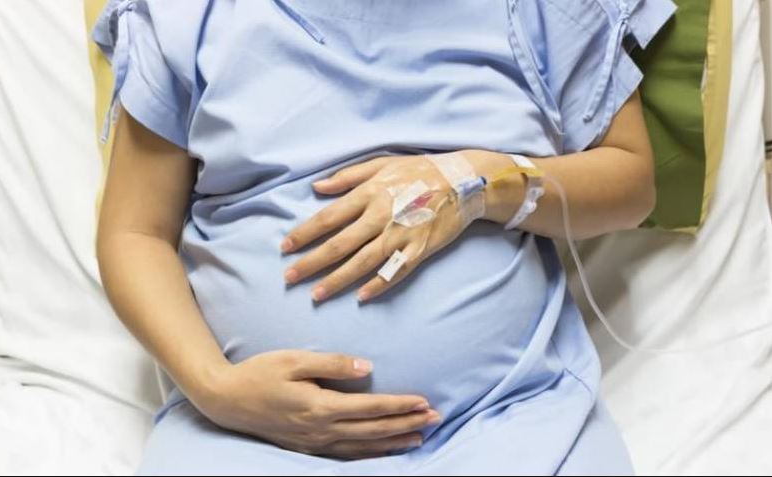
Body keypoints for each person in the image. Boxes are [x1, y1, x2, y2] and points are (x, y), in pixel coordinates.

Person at [95, 0, 675, 474]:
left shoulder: (540, 10)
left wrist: (477, 182)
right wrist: (216, 388)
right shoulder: (191, 15)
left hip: (511, 422)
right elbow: (134, 232)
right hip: (249, 437)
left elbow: (630, 183)